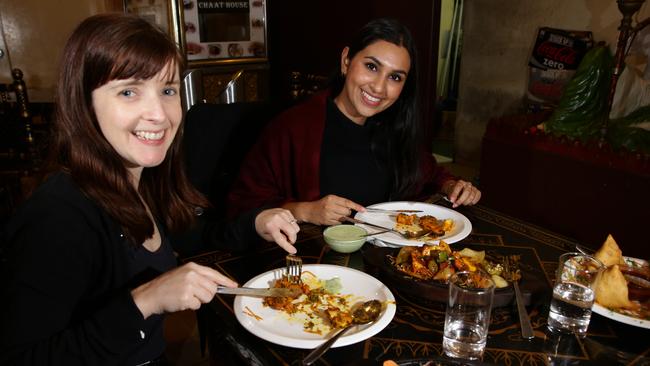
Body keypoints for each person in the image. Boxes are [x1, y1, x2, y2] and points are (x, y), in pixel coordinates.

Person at [0, 13, 298, 365]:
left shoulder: (143, 178)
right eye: (129, 91)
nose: (159, 113)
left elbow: (195, 240)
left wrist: (256, 222)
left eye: (168, 90)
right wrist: (146, 302)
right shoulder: (58, 217)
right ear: (84, 103)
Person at [227, 18, 481, 226]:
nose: (379, 87)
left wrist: (452, 186)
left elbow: (430, 173)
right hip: (315, 270)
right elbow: (240, 208)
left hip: (386, 267)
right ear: (346, 61)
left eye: (395, 77)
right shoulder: (291, 128)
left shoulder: (394, 129)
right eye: (371, 66)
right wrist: (304, 211)